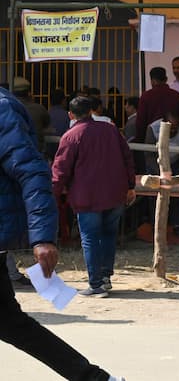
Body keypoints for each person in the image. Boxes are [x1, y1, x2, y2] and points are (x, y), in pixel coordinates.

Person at [0, 87, 125, 380]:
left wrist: (42, 236)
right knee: (11, 323)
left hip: (89, 200)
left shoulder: (3, 109)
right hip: (103, 197)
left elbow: (32, 171)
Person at [52, 97, 135, 298]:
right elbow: (127, 158)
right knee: (109, 236)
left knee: (90, 239)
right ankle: (105, 278)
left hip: (86, 195)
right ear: (92, 111)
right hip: (115, 192)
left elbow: (60, 171)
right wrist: (130, 185)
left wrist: (52, 195)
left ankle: (96, 284)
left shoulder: (70, 136)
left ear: (71, 115)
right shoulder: (111, 130)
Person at [144, 113, 179, 238]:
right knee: (155, 196)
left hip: (176, 163)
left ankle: (177, 225)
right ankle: (156, 227)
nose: (175, 130)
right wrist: (159, 172)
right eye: (172, 128)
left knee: (177, 196)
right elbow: (148, 155)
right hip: (156, 164)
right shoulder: (152, 128)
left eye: (176, 127)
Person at [135, 67, 179, 144]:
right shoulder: (178, 96)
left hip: (153, 141)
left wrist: (140, 141)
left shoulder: (146, 96)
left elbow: (140, 123)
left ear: (152, 81)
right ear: (166, 79)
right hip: (175, 142)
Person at [12, 76, 51, 155]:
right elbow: (47, 125)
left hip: (13, 155)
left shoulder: (7, 108)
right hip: (35, 153)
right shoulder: (39, 109)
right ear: (29, 93)